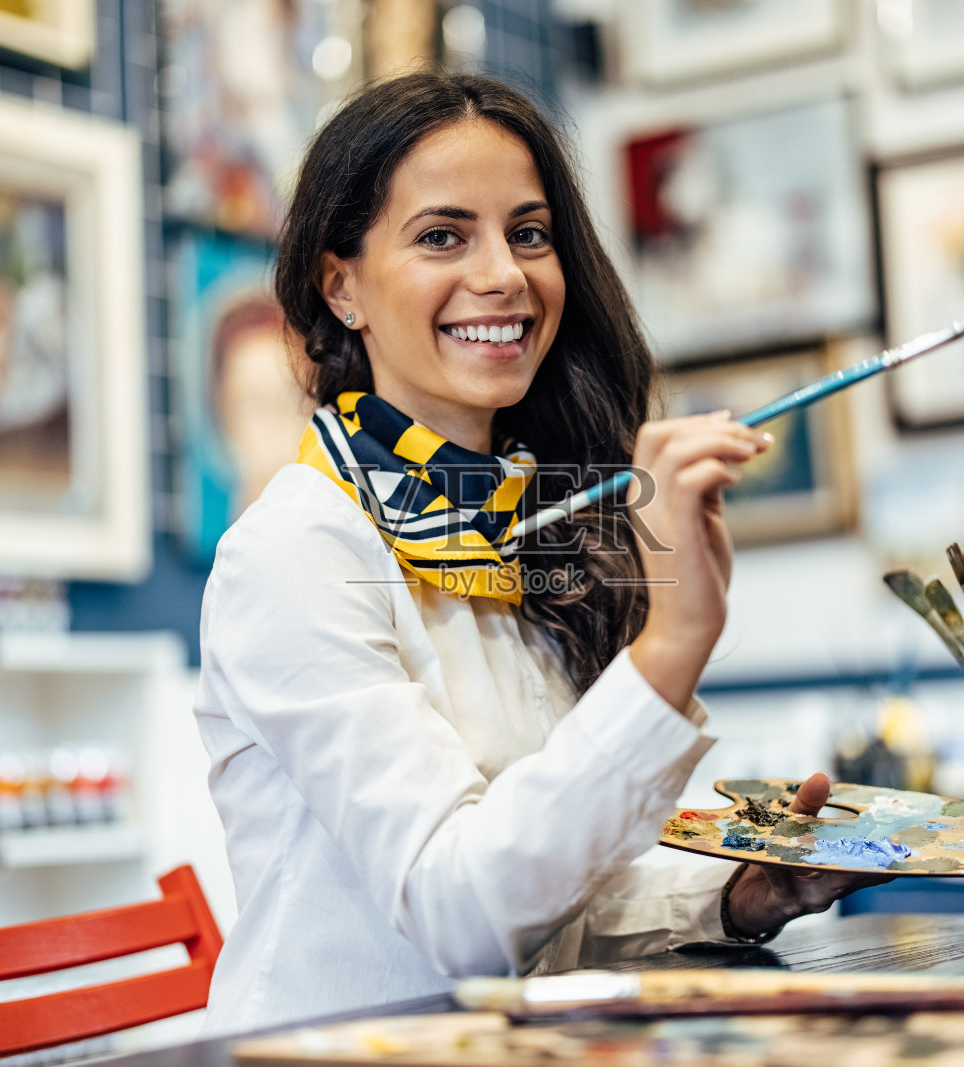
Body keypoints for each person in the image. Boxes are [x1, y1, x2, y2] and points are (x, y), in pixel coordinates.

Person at [193, 71, 875, 1035]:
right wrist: (672, 643)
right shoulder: (299, 547)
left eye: (528, 232)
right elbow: (461, 914)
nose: (505, 274)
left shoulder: (527, 520)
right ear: (340, 285)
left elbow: (547, 909)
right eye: (442, 236)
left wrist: (737, 897)